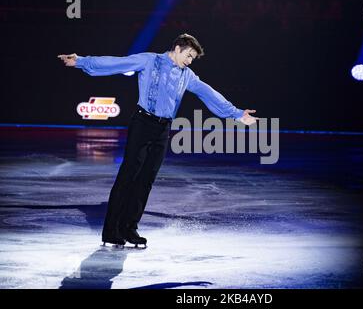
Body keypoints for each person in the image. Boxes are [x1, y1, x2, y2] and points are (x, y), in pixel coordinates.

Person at [58, 33, 257, 247]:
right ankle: (111, 231)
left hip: (163, 129)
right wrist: (81, 61)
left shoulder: (187, 75)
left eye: (192, 58)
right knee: (128, 176)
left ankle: (130, 228)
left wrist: (236, 113)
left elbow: (208, 93)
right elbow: (117, 62)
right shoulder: (150, 60)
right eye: (189, 56)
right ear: (178, 48)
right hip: (142, 124)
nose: (190, 61)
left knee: (146, 180)